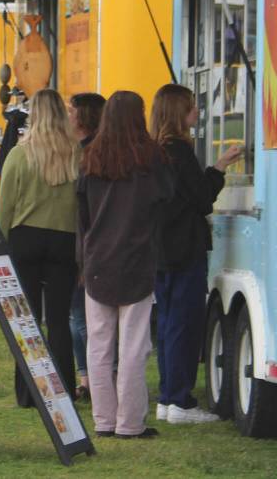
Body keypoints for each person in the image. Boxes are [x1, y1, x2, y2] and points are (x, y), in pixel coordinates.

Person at [77, 91, 172, 439]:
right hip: (137, 258)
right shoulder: (152, 158)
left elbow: (82, 215)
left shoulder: (90, 157)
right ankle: (130, 423)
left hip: (98, 258)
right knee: (134, 345)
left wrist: (83, 258)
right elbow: (166, 199)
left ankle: (104, 420)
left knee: (98, 345)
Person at [150, 83, 243, 424]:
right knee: (184, 324)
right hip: (184, 248)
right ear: (179, 113)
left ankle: (166, 397)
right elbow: (202, 198)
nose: (197, 113)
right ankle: (180, 401)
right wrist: (218, 168)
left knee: (167, 323)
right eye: (191, 107)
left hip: (160, 249)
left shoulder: (156, 150)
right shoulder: (180, 152)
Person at [0, 88, 81, 407]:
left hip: (25, 238)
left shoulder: (20, 154)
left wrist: (0, 246)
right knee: (59, 320)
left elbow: (6, 206)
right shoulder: (75, 153)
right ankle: (64, 390)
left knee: (27, 319)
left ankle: (27, 391)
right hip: (64, 239)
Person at [66, 92, 107, 400]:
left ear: (82, 117)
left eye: (71, 111)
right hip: (81, 245)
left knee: (82, 317)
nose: (67, 117)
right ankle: (87, 376)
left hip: (85, 247)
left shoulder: (89, 155)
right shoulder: (80, 151)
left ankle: (95, 378)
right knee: (77, 316)